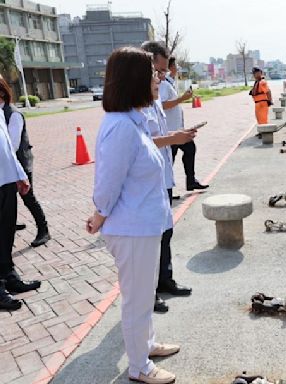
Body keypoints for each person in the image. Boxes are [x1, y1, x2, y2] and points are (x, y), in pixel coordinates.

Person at [86, 47, 178, 384]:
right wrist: (100, 213)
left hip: (144, 224)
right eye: (153, 74)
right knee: (137, 299)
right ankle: (139, 367)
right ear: (135, 80)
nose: (159, 78)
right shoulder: (122, 127)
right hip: (132, 228)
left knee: (144, 291)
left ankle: (147, 345)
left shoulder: (134, 121)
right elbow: (107, 182)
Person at [141, 41, 194, 305]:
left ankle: (165, 280)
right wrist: (175, 137)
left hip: (162, 176)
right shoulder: (134, 107)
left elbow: (157, 136)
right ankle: (149, 291)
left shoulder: (153, 99)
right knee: (152, 236)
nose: (162, 78)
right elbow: (143, 142)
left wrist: (176, 136)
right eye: (158, 73)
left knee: (166, 230)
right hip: (150, 181)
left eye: (163, 73)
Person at [0, 77, 50, 247]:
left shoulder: (13, 114)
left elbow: (11, 146)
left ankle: (43, 230)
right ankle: (9, 225)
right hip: (5, 165)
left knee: (27, 197)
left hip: (20, 163)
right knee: (5, 199)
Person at [0, 101, 41, 311]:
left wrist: (20, 174)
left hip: (6, 180)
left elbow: (7, 145)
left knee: (7, 234)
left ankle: (9, 276)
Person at [160, 52, 209, 192]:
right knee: (170, 160)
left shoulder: (170, 82)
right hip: (170, 131)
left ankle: (190, 181)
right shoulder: (163, 84)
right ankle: (166, 189)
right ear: (170, 67)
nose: (178, 67)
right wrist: (182, 99)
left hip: (178, 129)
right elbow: (163, 104)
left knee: (189, 149)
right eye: (176, 65)